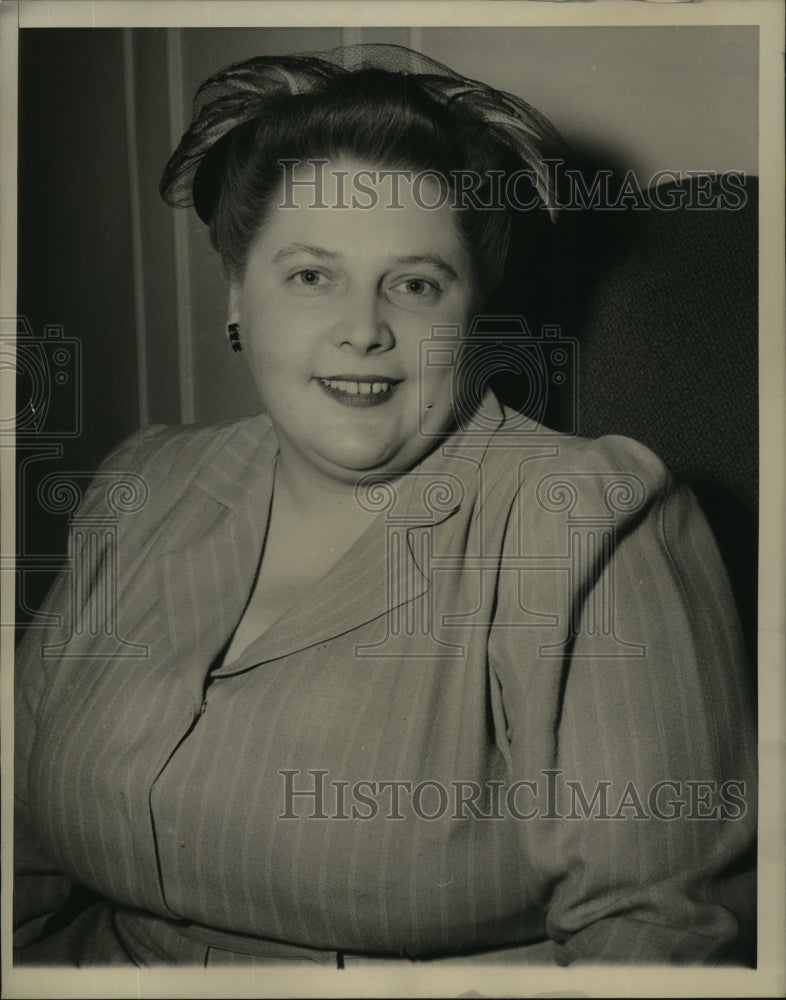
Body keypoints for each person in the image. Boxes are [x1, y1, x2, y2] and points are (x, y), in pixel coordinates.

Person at [14, 43, 756, 967]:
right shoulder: (146, 486)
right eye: (312, 276)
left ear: (472, 313)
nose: (364, 330)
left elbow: (655, 939)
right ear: (238, 295)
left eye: (414, 284)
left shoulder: (589, 522)